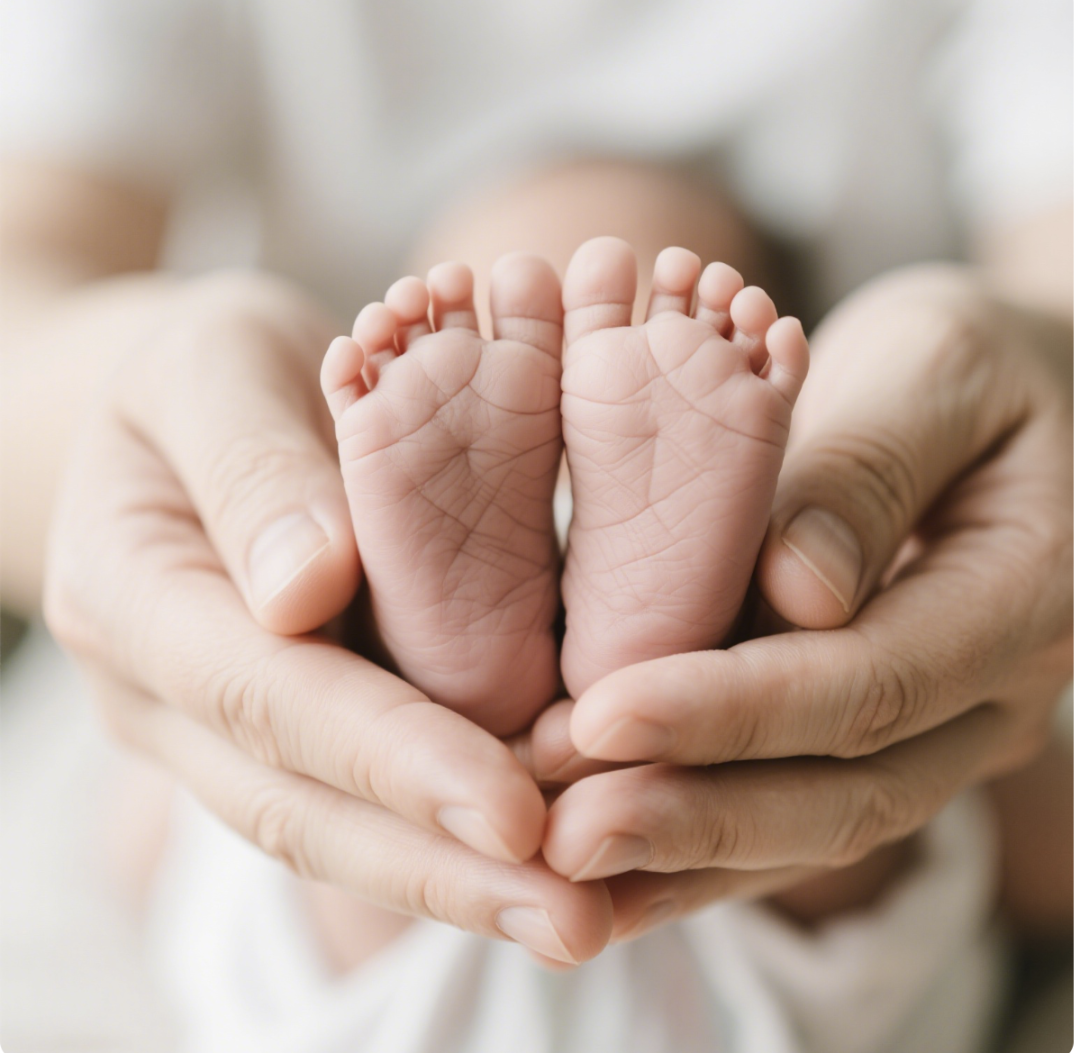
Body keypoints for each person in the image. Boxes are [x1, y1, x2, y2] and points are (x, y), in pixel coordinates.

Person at [1, 0, 1071, 1049]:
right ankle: (727, 654)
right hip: (761, 896)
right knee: (897, 799)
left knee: (195, 808)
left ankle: (418, 681)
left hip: (400, 923)